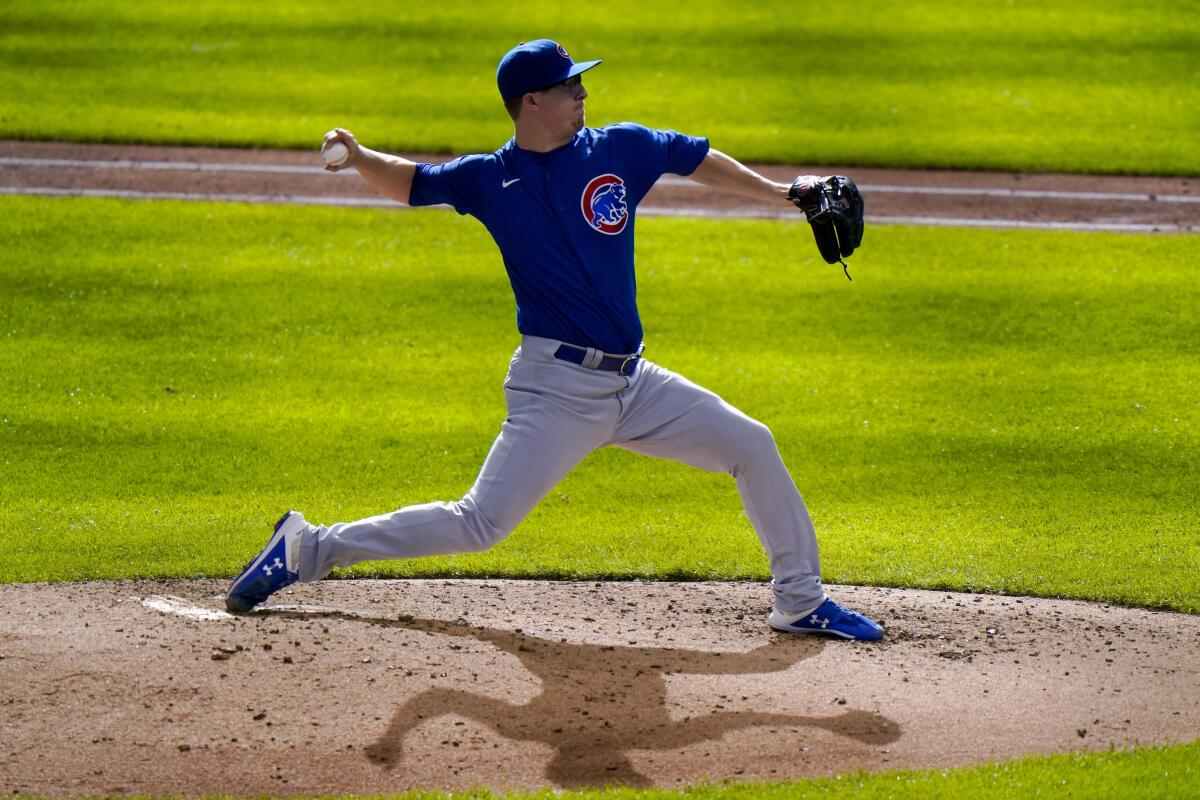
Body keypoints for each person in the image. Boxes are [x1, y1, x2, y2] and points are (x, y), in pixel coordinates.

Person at [225, 39, 884, 641]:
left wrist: (783, 195)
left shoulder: (617, 148)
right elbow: (413, 183)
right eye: (570, 87)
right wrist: (362, 156)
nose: (584, 96)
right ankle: (307, 548)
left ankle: (799, 602)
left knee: (752, 444)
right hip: (557, 390)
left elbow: (693, 157)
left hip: (634, 383)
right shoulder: (490, 178)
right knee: (479, 524)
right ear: (531, 102)